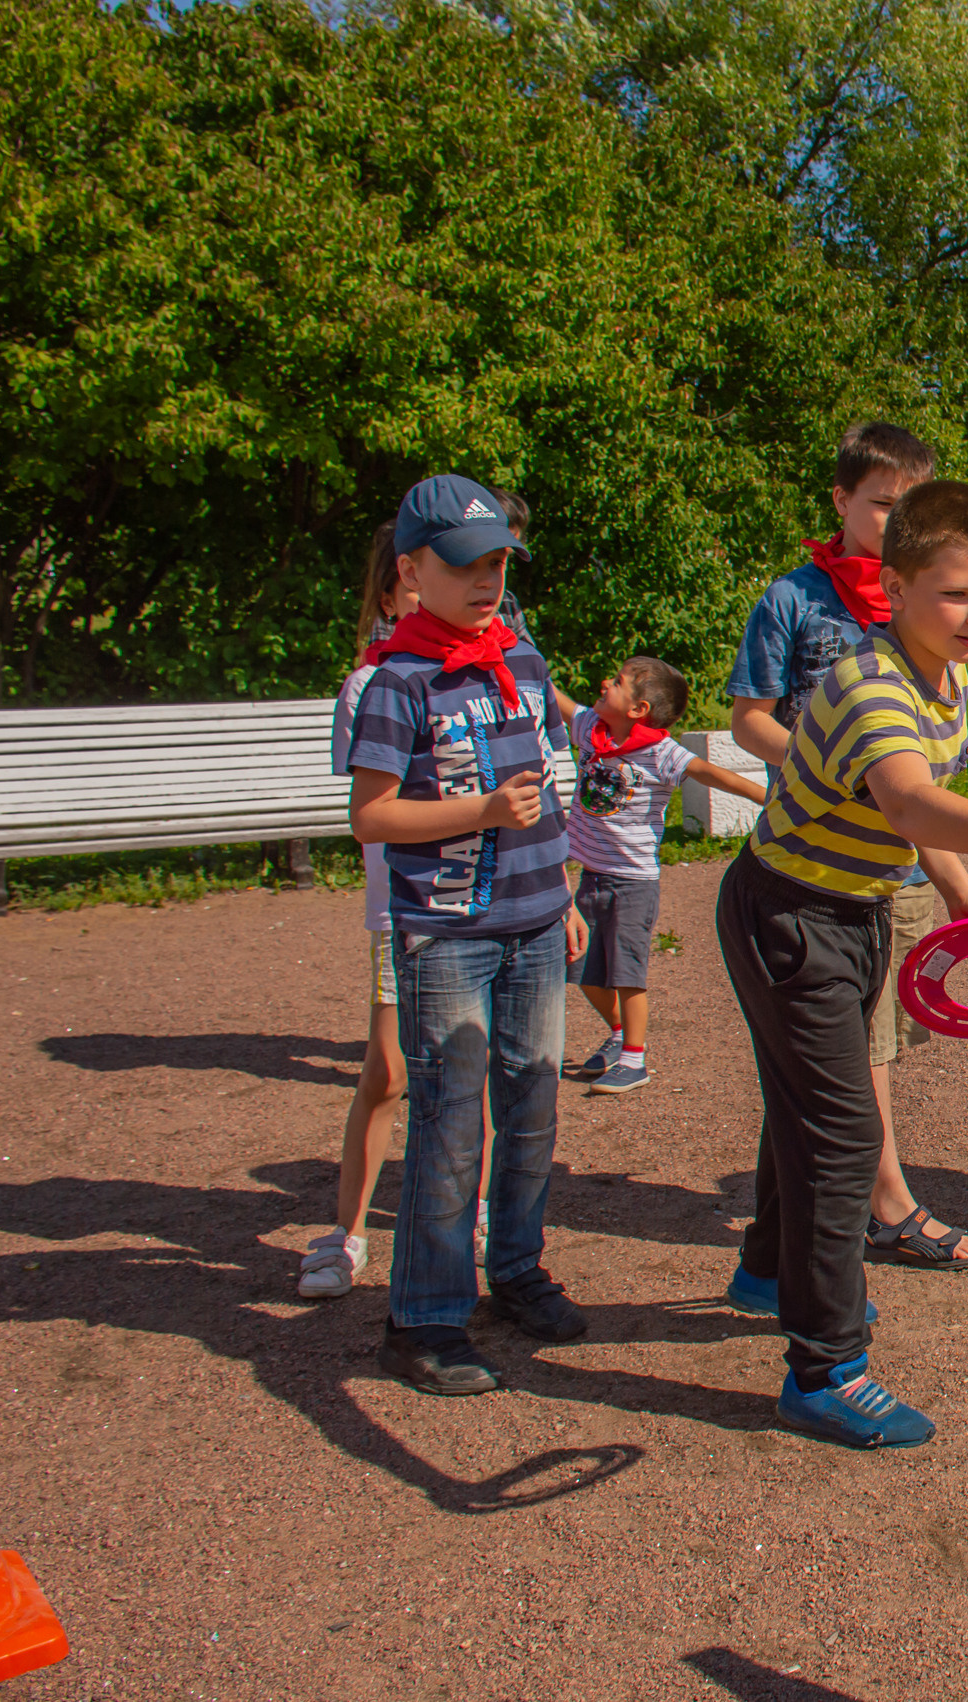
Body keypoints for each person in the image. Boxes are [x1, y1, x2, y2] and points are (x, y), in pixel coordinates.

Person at [715, 479, 968, 1448]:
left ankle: (766, 1272)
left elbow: (908, 808)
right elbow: (906, 802)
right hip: (791, 916)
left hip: (851, 908)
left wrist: (957, 887)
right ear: (895, 587)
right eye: (955, 594)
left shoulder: (946, 672)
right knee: (843, 1136)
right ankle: (825, 1367)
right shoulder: (870, 685)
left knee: (805, 1105)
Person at [345, 474, 590, 1395]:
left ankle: (516, 1271)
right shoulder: (396, 683)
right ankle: (424, 1321)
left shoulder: (521, 662)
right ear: (411, 570)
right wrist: (478, 808)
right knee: (451, 1123)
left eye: (496, 563)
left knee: (532, 1105)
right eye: (464, 565)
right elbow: (371, 818)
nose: (485, 580)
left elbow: (548, 794)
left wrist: (562, 891)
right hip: (447, 934)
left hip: (534, 921)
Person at [725, 422, 968, 1273]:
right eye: (882, 504)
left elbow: (923, 794)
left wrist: (954, 882)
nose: (896, 517)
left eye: (911, 504)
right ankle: (884, 1208)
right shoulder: (797, 601)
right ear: (841, 503)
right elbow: (752, 718)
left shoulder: (941, 623)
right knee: (847, 1067)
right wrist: (835, 764)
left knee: (840, 1059)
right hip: (815, 864)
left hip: (898, 860)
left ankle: (771, 1263)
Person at [301, 524, 499, 1298]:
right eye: (418, 585)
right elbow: (372, 811)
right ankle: (348, 1232)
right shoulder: (376, 685)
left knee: (471, 1068)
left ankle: (473, 1212)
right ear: (394, 590)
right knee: (386, 1073)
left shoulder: (491, 675)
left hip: (478, 905)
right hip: (406, 910)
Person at [562, 656, 766, 1094]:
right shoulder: (589, 730)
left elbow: (712, 773)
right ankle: (619, 1035)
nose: (603, 682)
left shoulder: (660, 751)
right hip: (590, 876)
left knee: (626, 973)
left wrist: (770, 797)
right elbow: (549, 697)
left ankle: (634, 1060)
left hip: (633, 882)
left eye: (615, 682)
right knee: (578, 967)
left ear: (638, 710)